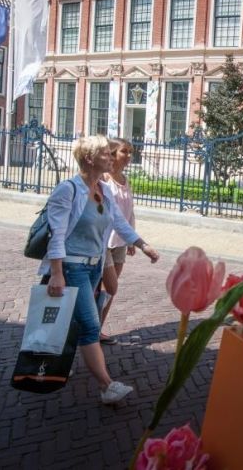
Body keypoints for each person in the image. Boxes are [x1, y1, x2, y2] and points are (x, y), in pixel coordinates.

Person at [41, 135, 160, 405]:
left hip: (94, 266)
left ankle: (60, 359)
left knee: (76, 321)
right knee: (90, 325)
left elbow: (119, 222)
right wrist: (57, 273)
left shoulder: (103, 190)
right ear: (89, 159)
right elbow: (56, 236)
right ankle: (107, 386)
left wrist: (142, 245)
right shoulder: (68, 190)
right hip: (73, 267)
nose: (110, 157)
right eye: (106, 154)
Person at [99, 138, 136, 345]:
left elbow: (130, 211)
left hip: (121, 241)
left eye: (131, 152)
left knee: (110, 289)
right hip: (104, 242)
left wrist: (132, 239)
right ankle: (89, 328)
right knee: (108, 287)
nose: (129, 156)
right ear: (113, 154)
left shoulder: (125, 179)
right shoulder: (104, 179)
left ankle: (98, 328)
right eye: (125, 151)